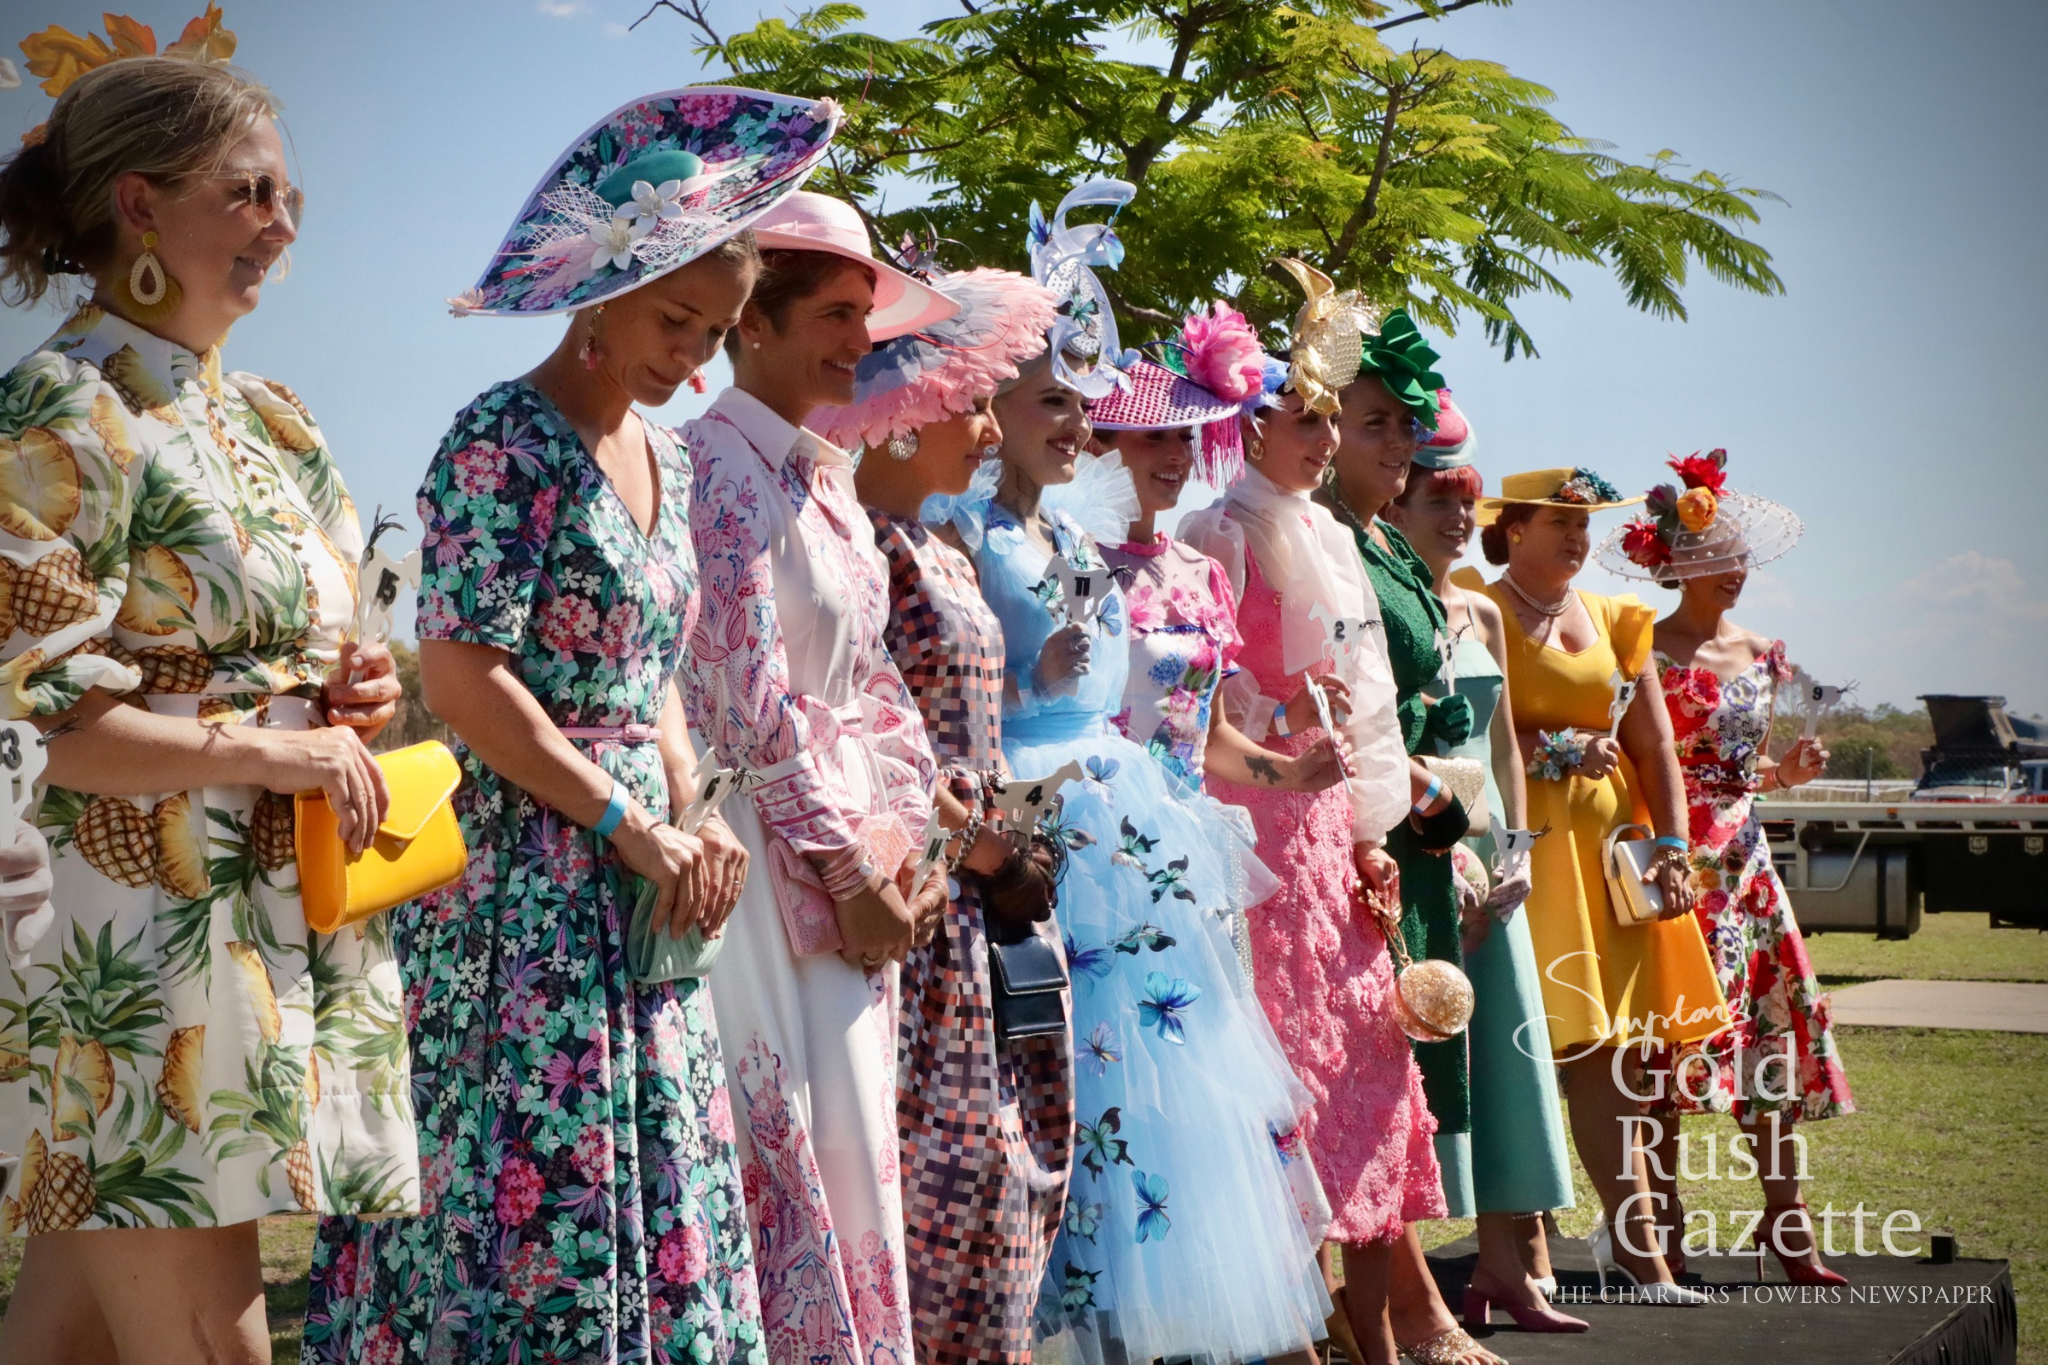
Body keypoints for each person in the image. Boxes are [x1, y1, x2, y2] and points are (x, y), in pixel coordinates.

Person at [308, 88, 839, 1364]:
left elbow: (649, 670)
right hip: (522, 882)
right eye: (674, 321)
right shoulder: (503, 439)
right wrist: (625, 823)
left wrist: (682, 813)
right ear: (601, 292)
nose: (691, 357)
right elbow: (466, 676)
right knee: (533, 1185)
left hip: (638, 871)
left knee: (652, 1180)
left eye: (711, 331)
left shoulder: (657, 451)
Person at [0, 35, 415, 1364]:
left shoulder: (279, 421)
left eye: (286, 195)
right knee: (212, 1339)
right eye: (246, 191)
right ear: (139, 204)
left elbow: (312, 652)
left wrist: (356, 694)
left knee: (70, 1332)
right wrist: (270, 751)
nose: (280, 223)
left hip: (277, 898)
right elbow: (42, 725)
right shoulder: (59, 412)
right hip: (145, 939)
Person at [985, 185, 1332, 1365]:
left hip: (1155, 830)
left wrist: (1284, 766)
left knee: (1174, 1083)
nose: (1160, 456)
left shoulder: (1171, 570)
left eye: (1179, 436)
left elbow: (1200, 725)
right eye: (1140, 434)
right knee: (1079, 1073)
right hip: (1059, 821)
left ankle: (1173, 1320)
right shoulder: (1000, 538)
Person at [678, 189, 954, 1364]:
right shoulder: (710, 468)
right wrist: (847, 868)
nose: (858, 338)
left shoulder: (826, 478)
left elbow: (873, 684)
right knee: (791, 1146)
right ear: (754, 320)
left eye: (864, 314)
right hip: (763, 848)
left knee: (854, 1158)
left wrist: (914, 843)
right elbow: (748, 704)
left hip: (849, 851)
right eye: (837, 313)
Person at [1183, 264, 1470, 1365]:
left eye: (1321, 418)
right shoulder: (1222, 533)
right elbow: (1203, 701)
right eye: (1297, 418)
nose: (1314, 437)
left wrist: (1370, 830)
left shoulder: (1337, 536)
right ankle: (1292, 1334)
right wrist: (1283, 719)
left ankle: (1377, 1337)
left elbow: (1373, 709)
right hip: (1251, 829)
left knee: (1363, 1066)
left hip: (1328, 834)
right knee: (1280, 1083)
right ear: (1248, 425)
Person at [826, 251, 1076, 1362]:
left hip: (988, 907)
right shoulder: (862, 554)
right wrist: (973, 851)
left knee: (1010, 1185)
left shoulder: (939, 544)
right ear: (904, 411)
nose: (986, 431)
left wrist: (1011, 849)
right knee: (943, 1190)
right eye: (971, 406)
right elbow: (860, 747)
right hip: (922, 917)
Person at [1475, 467, 1730, 1305]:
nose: (1579, 537)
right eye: (1561, 522)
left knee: (1607, 1054)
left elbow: (1656, 746)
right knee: (1526, 1044)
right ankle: (1525, 1243)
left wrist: (1673, 847)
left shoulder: (1622, 619)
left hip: (1607, 855)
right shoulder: (1481, 605)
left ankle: (1640, 1252)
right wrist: (1552, 747)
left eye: (1587, 523)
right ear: (1513, 529)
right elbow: (1480, 722)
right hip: (1522, 846)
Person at [1600, 449, 1852, 1286]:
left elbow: (1754, 769)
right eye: (1718, 556)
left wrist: (1790, 773)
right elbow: (1641, 757)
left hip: (1746, 867)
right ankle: (1660, 1229)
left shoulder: (1766, 653)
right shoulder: (1639, 645)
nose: (1734, 570)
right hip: (1671, 864)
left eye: (1741, 557)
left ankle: (1789, 1227)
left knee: (1767, 1044)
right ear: (1676, 559)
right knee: (1665, 1049)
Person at [1382, 405, 1582, 1332]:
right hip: (1425, 847)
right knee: (1430, 1062)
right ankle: (1401, 1291)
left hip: (1495, 855)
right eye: (1439, 499)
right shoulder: (1382, 609)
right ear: (1399, 500)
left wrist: (1517, 853)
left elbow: (1503, 748)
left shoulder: (1479, 611)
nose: (1458, 519)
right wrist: (1453, 854)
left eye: (1468, 504)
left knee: (1506, 1057)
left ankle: (1505, 1266)